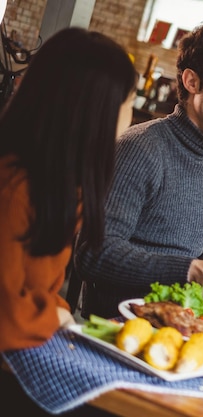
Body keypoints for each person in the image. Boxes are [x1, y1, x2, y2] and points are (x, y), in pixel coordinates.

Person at [74, 21, 203, 319]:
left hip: (181, 323)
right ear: (191, 81)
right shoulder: (141, 148)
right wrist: (192, 270)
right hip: (120, 328)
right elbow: (93, 255)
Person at [0, 28, 137, 352]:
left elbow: (37, 292)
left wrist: (58, 314)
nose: (131, 117)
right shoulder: (16, 190)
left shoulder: (58, 185)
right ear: (96, 111)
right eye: (130, 102)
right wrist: (59, 318)